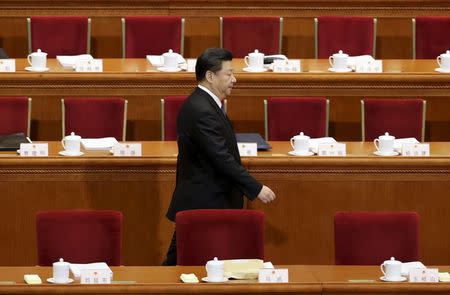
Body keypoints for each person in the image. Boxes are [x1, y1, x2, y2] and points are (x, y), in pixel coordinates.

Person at [162, 48, 276, 266]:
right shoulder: (200, 109)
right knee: (181, 263)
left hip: (208, 200)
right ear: (210, 76)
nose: (234, 79)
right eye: (229, 74)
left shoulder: (205, 104)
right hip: (204, 203)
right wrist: (256, 188)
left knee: (182, 262)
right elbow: (221, 157)